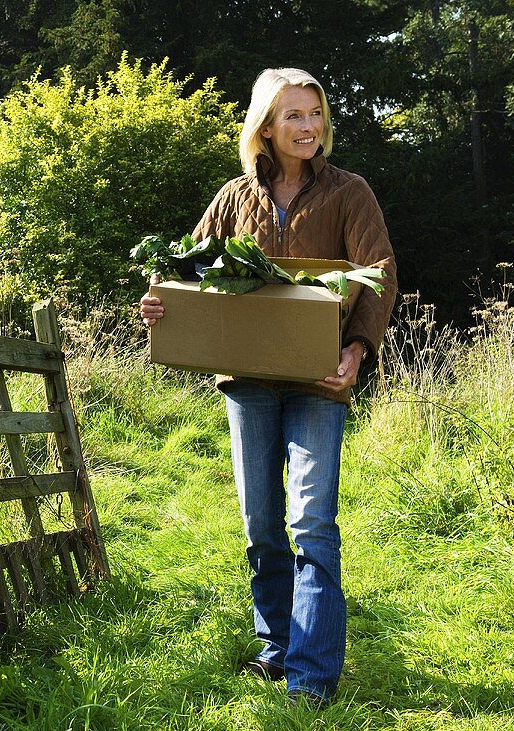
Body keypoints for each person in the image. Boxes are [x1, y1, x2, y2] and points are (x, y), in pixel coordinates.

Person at [139, 68, 397, 705]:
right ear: (265, 126)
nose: (308, 127)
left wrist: (356, 349)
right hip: (248, 381)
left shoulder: (349, 193)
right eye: (293, 116)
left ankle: (311, 675)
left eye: (315, 114)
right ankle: (276, 644)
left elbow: (381, 272)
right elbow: (190, 269)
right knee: (261, 523)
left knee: (311, 522)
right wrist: (163, 302)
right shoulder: (233, 198)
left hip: (318, 380)